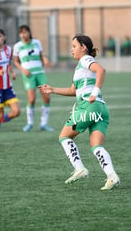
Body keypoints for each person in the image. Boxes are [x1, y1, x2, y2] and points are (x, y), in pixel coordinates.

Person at [38, 34, 120, 190]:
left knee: (64, 136)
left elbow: (101, 70)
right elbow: (72, 91)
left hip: (89, 106)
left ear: (83, 47)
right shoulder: (79, 68)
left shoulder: (85, 59)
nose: (71, 49)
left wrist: (94, 92)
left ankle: (80, 168)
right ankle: (112, 176)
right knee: (96, 146)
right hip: (101, 109)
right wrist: (53, 89)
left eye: (74, 46)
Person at [13, 25, 53, 132]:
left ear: (29, 33)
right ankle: (30, 123)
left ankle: (44, 124)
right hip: (28, 75)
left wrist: (45, 60)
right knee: (31, 99)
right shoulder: (17, 46)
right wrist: (23, 70)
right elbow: (16, 61)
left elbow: (41, 55)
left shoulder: (37, 42)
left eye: (25, 32)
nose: (23, 34)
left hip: (40, 73)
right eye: (21, 33)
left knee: (47, 98)